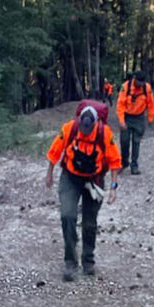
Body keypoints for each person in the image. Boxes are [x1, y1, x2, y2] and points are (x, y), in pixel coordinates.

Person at [45, 105, 121, 281]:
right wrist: (49, 174)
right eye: (83, 128)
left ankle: (88, 260)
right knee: (67, 216)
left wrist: (113, 188)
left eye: (88, 129)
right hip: (70, 178)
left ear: (95, 124)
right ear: (79, 122)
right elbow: (55, 151)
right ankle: (70, 262)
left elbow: (115, 161)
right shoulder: (69, 129)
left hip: (94, 180)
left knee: (89, 223)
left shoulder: (104, 134)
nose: (85, 132)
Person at [116, 70, 154, 175]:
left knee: (136, 142)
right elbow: (120, 105)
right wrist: (121, 121)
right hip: (127, 117)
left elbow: (151, 104)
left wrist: (150, 118)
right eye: (139, 82)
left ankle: (134, 165)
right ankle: (124, 162)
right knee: (124, 141)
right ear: (134, 78)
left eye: (142, 82)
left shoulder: (147, 88)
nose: (140, 84)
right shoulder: (126, 87)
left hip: (139, 118)